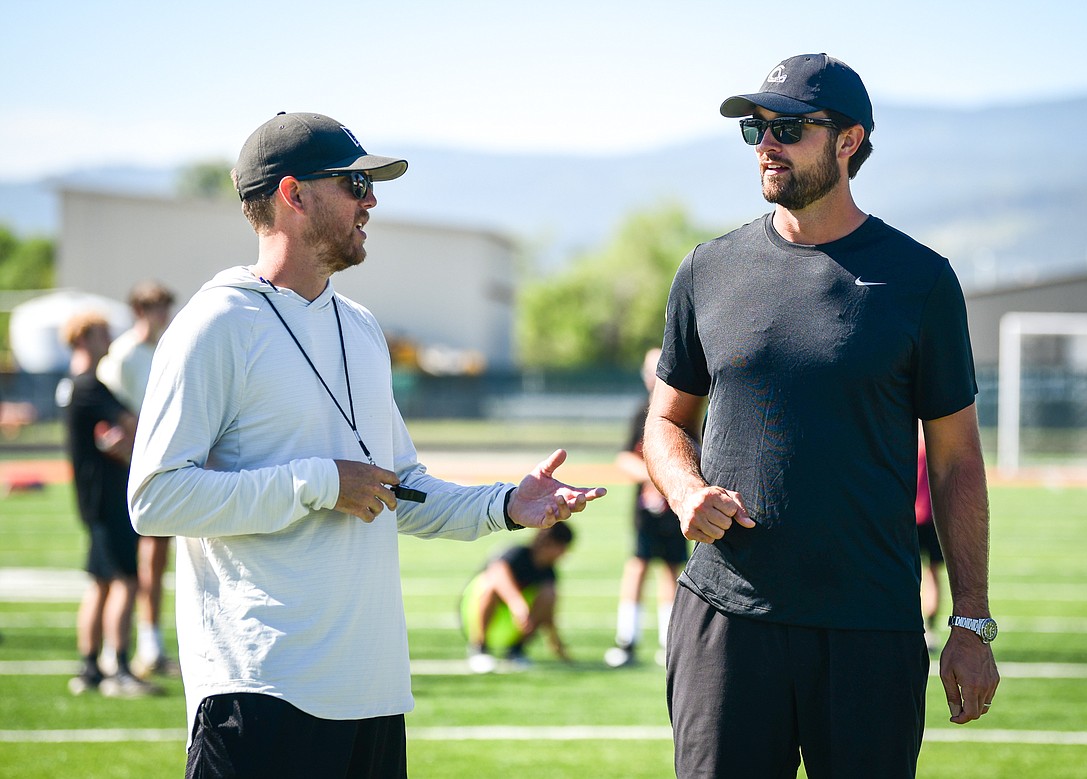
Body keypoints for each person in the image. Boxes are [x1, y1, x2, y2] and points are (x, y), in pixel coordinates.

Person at [127, 111, 605, 778]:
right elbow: (156, 498)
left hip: (372, 696)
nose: (371, 201)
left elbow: (399, 486)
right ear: (294, 195)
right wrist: (321, 481)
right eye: (356, 183)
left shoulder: (361, 327)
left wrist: (506, 505)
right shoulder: (215, 323)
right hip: (261, 691)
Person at [642, 54, 999, 778]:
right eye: (756, 128)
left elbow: (958, 459)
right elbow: (666, 419)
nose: (766, 145)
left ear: (849, 140)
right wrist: (684, 489)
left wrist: (970, 620)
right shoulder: (707, 269)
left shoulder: (920, 280)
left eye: (789, 128)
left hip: (870, 625)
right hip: (726, 619)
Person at [59, 311, 160, 698]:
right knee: (126, 581)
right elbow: (132, 420)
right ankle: (117, 667)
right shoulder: (88, 385)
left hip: (91, 496)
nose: (109, 342)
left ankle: (89, 668)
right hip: (106, 495)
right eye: (102, 335)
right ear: (83, 338)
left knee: (100, 582)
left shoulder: (71, 385)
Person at [96, 279, 177, 678]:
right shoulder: (123, 355)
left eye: (163, 305)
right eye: (152, 306)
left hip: (157, 465)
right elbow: (108, 416)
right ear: (137, 310)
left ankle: (150, 643)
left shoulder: (164, 349)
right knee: (124, 569)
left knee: (156, 561)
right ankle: (120, 651)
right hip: (130, 471)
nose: (160, 313)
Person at [604, 348, 689, 668]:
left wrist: (671, 478)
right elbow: (625, 458)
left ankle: (670, 641)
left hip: (678, 507)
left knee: (672, 570)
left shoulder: (685, 411)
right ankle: (627, 639)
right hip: (647, 511)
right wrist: (653, 475)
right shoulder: (642, 413)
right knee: (638, 566)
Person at [462, 522, 574, 673]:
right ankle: (479, 647)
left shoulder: (548, 572)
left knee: (549, 593)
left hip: (514, 625)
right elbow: (497, 573)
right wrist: (517, 604)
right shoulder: (516, 554)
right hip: (473, 616)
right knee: (490, 585)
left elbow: (549, 610)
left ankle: (515, 650)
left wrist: (555, 641)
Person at [917, 429, 946, 654]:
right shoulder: (935, 440)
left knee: (906, 575)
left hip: (908, 517)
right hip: (934, 516)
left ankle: (917, 629)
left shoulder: (903, 438)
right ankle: (930, 631)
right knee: (932, 574)